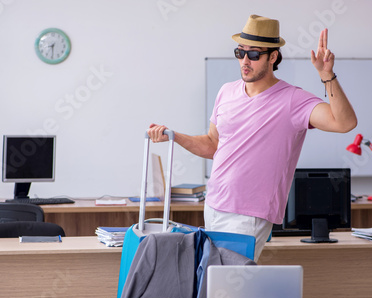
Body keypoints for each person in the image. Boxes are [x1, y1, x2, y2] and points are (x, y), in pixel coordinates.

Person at [147, 14, 357, 261]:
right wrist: (174, 136)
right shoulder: (226, 91)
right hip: (214, 205)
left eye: (254, 54)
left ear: (273, 56)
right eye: (240, 52)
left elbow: (344, 123)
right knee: (212, 283)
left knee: (226, 287)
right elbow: (213, 144)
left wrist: (326, 75)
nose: (245, 61)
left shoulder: (293, 100)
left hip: (249, 215)